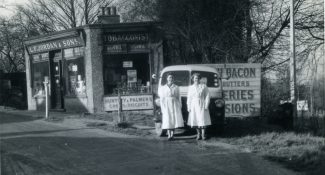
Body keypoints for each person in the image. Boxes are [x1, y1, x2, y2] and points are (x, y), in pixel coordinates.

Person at [158, 73, 184, 140]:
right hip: (166, 104)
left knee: (173, 119)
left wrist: (179, 105)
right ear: (167, 79)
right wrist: (163, 107)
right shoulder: (163, 88)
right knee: (167, 119)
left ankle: (172, 134)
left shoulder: (176, 87)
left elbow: (179, 97)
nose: (170, 79)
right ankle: (169, 134)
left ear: (173, 79)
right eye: (169, 77)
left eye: (172, 78)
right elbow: (162, 98)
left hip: (174, 104)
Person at [187, 73, 211, 140]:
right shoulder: (190, 87)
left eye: (197, 78)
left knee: (202, 119)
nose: (196, 79)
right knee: (196, 119)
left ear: (199, 79)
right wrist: (188, 107)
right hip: (194, 105)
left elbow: (207, 96)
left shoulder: (203, 86)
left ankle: (203, 135)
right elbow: (189, 98)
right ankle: (198, 134)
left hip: (202, 104)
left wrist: (206, 105)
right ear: (193, 79)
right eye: (195, 78)